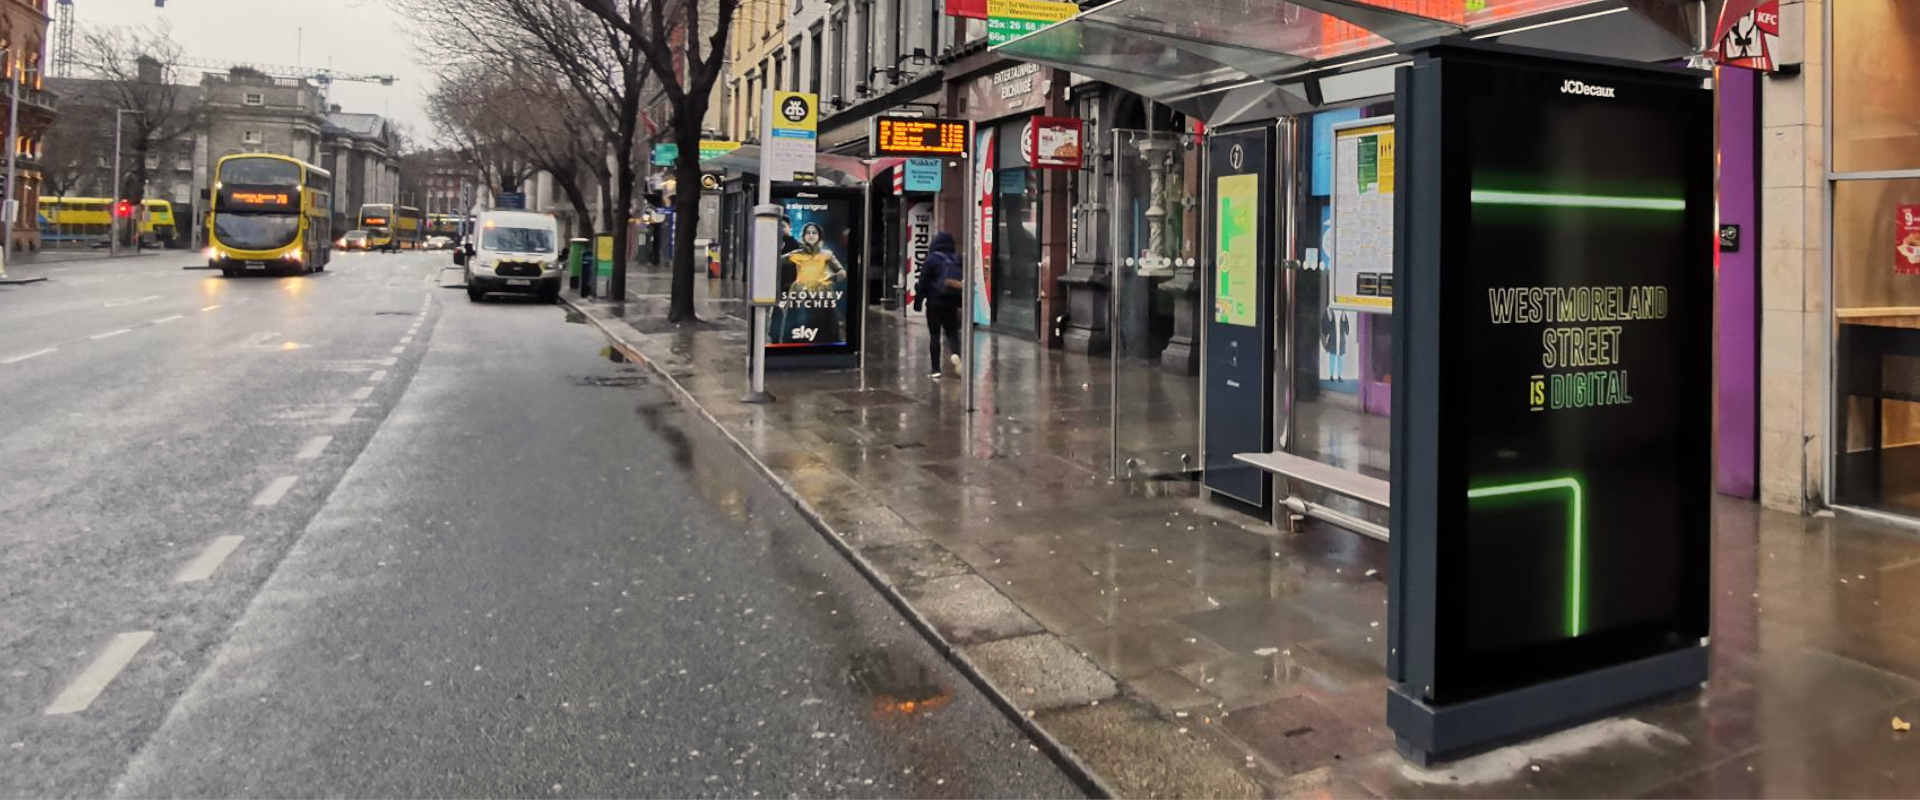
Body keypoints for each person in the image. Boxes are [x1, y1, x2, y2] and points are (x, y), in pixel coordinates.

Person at [773, 222, 848, 344]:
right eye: (808, 233)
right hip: (800, 294)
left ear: (819, 236)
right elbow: (775, 261)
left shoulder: (827, 255)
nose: (811, 235)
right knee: (798, 325)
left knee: (826, 327)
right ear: (803, 236)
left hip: (821, 294)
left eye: (814, 233)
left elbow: (842, 272)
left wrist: (831, 278)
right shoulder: (796, 254)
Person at [913, 231, 964, 378]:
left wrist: (918, 301)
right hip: (951, 302)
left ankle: (936, 370)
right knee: (952, 333)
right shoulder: (957, 258)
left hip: (935, 303)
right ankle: (956, 354)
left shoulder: (932, 260)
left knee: (934, 335)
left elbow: (923, 283)